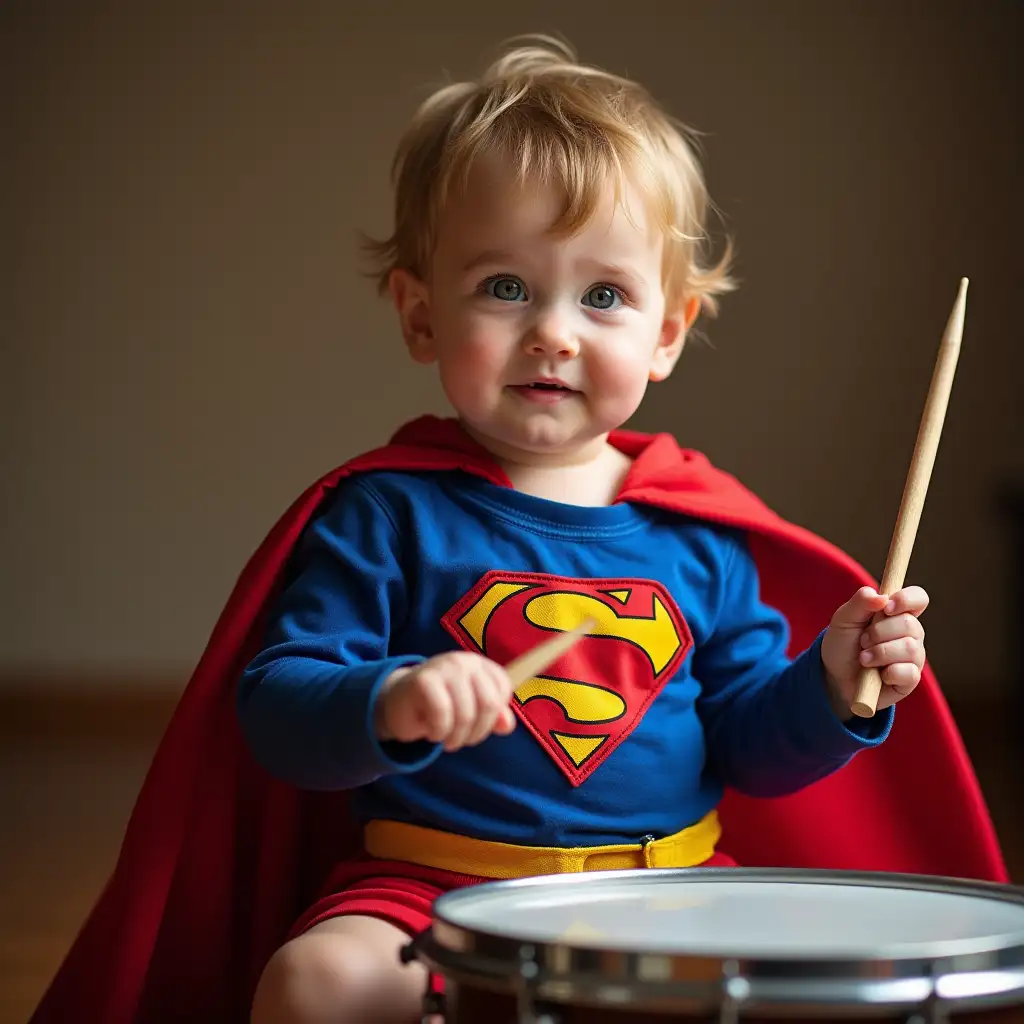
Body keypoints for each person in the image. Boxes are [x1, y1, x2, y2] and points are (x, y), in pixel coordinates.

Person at [28, 34, 1008, 1024]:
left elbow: (750, 745)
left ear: (665, 331)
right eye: (505, 286)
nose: (553, 330)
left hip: (670, 892)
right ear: (419, 315)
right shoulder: (387, 516)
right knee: (315, 983)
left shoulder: (698, 532)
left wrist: (834, 685)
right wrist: (393, 698)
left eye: (603, 295)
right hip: (436, 889)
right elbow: (279, 709)